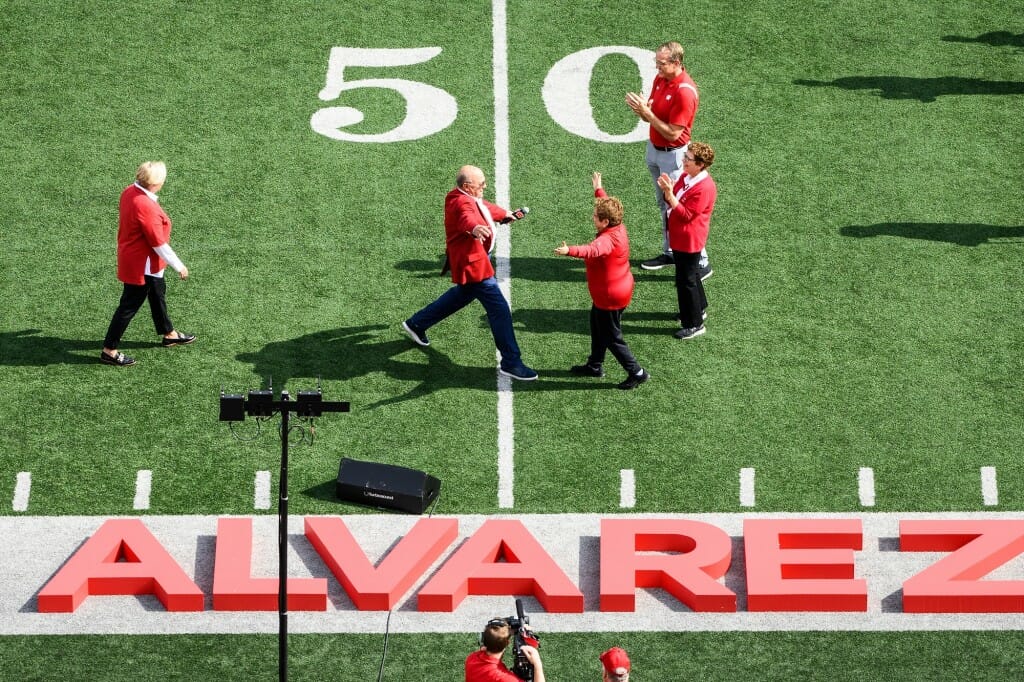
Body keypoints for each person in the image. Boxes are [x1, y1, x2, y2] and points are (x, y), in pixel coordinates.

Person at [402, 165, 537, 381]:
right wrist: (475, 228)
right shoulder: (460, 202)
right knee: (500, 310)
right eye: (481, 183)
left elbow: (481, 207)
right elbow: (468, 217)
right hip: (474, 265)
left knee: (460, 296)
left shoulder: (462, 195)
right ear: (467, 186)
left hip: (474, 261)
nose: (485, 186)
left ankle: (417, 323)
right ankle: (511, 362)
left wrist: (505, 214)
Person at [554, 173, 649, 390]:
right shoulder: (617, 225)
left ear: (605, 221)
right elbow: (608, 207)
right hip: (615, 290)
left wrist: (570, 250)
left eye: (595, 215)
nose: (592, 217)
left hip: (610, 296)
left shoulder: (607, 240)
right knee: (597, 327)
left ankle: (637, 372)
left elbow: (592, 250)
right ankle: (594, 365)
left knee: (612, 337)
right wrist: (599, 189)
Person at [625, 41, 711, 279]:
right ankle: (672, 251)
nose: (657, 68)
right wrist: (644, 110)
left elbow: (673, 132)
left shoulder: (685, 91)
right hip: (655, 149)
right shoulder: (661, 80)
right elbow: (653, 117)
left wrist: (647, 114)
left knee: (679, 207)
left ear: (676, 62)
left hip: (673, 155)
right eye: (656, 62)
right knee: (665, 204)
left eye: (661, 63)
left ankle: (701, 261)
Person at [100, 161, 194, 366]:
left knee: (157, 292)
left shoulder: (130, 192)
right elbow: (158, 243)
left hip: (138, 259)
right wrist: (179, 266)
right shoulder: (146, 206)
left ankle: (169, 333)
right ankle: (109, 350)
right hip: (143, 265)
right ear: (156, 184)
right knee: (128, 306)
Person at [656, 141, 717, 339]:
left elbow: (686, 214)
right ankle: (698, 308)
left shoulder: (705, 188)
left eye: (688, 159)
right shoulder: (687, 176)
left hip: (689, 240)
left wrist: (668, 192)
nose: (683, 161)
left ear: (700, 164)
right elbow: (675, 200)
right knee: (690, 276)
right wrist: (669, 191)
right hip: (682, 237)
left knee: (685, 281)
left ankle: (694, 324)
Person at [465, 618, 545, 682]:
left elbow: (493, 636)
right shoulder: (506, 679)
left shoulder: (472, 658)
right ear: (507, 643)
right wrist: (537, 663)